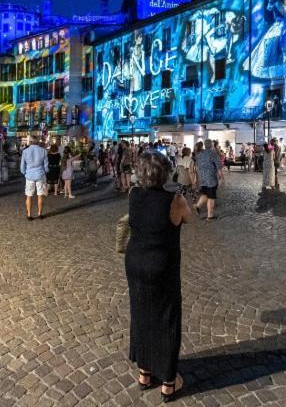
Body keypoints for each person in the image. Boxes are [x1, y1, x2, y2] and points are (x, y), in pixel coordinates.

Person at [125, 151, 192, 402]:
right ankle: (168, 381)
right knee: (167, 316)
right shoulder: (174, 199)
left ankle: (144, 373)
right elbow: (188, 219)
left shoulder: (133, 194)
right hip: (162, 264)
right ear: (166, 172)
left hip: (135, 261)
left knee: (140, 311)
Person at [193, 139, 223, 221]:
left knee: (205, 193)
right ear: (211, 145)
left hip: (202, 178)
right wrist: (221, 178)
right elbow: (219, 166)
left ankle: (197, 206)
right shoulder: (213, 153)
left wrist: (197, 178)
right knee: (211, 197)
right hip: (211, 178)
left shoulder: (199, 154)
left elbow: (197, 167)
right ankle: (210, 216)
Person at [20, 136, 49, 220]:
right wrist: (45, 171)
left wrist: (24, 172)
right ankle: (40, 214)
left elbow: (22, 166)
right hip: (40, 175)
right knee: (40, 195)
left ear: (30, 142)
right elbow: (46, 166)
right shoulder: (43, 151)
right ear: (37, 142)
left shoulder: (25, 151)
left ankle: (29, 215)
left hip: (29, 175)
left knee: (29, 196)